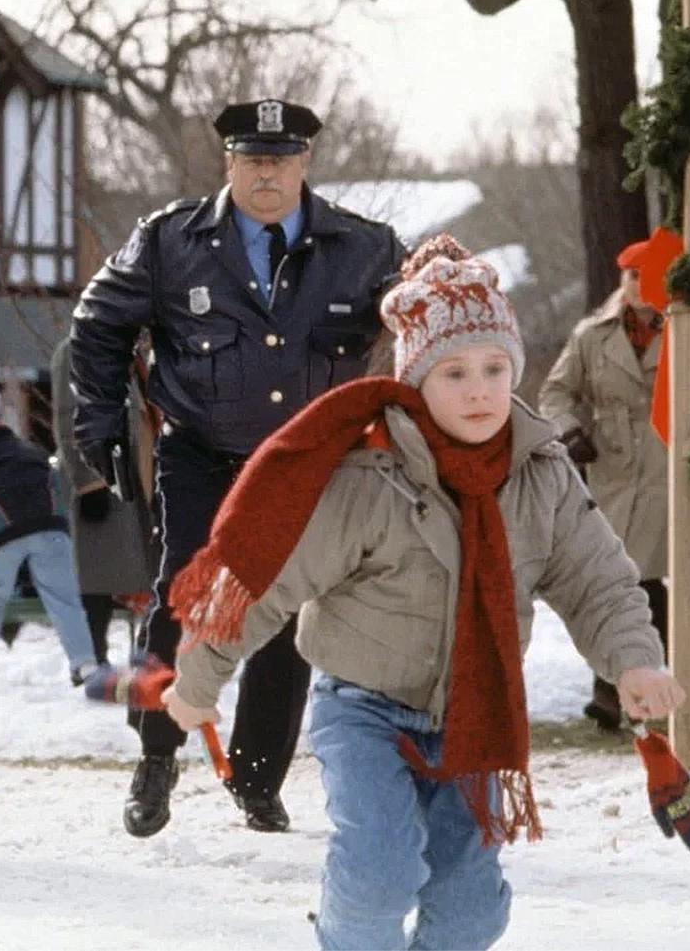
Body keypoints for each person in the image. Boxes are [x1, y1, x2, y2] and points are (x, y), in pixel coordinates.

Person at [162, 241, 682, 951]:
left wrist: (635, 661)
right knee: (380, 873)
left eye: (495, 368)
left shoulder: (541, 472)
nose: (479, 390)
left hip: (478, 709)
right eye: (455, 371)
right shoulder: (371, 475)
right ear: (414, 379)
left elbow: (599, 579)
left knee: (470, 910)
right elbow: (269, 580)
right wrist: (199, 680)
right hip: (365, 709)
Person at [71, 98, 406, 837]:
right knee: (184, 597)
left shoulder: (366, 248)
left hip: (306, 463)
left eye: (281, 159)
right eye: (252, 158)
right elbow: (97, 324)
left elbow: (425, 323)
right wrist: (102, 420)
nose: (267, 173)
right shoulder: (170, 241)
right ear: (228, 162)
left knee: (284, 612)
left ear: (305, 163)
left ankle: (258, 777)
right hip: (202, 452)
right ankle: (157, 754)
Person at [536, 243, 668, 730]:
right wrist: (570, 430)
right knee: (617, 572)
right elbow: (555, 391)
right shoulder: (593, 337)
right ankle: (617, 688)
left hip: (665, 462)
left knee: (650, 576)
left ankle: (627, 686)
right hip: (611, 467)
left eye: (648, 276)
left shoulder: (685, 331)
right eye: (631, 276)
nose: (638, 286)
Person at [0, 382, 99, 692]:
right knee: (65, 600)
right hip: (51, 529)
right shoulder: (32, 452)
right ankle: (85, 665)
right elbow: (61, 494)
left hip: (0, 540)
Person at [50, 336, 160, 666]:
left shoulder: (133, 350)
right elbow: (69, 417)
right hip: (102, 476)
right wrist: (88, 482)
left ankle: (146, 655)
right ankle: (91, 658)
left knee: (140, 572)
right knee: (99, 577)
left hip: (138, 476)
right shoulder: (78, 348)